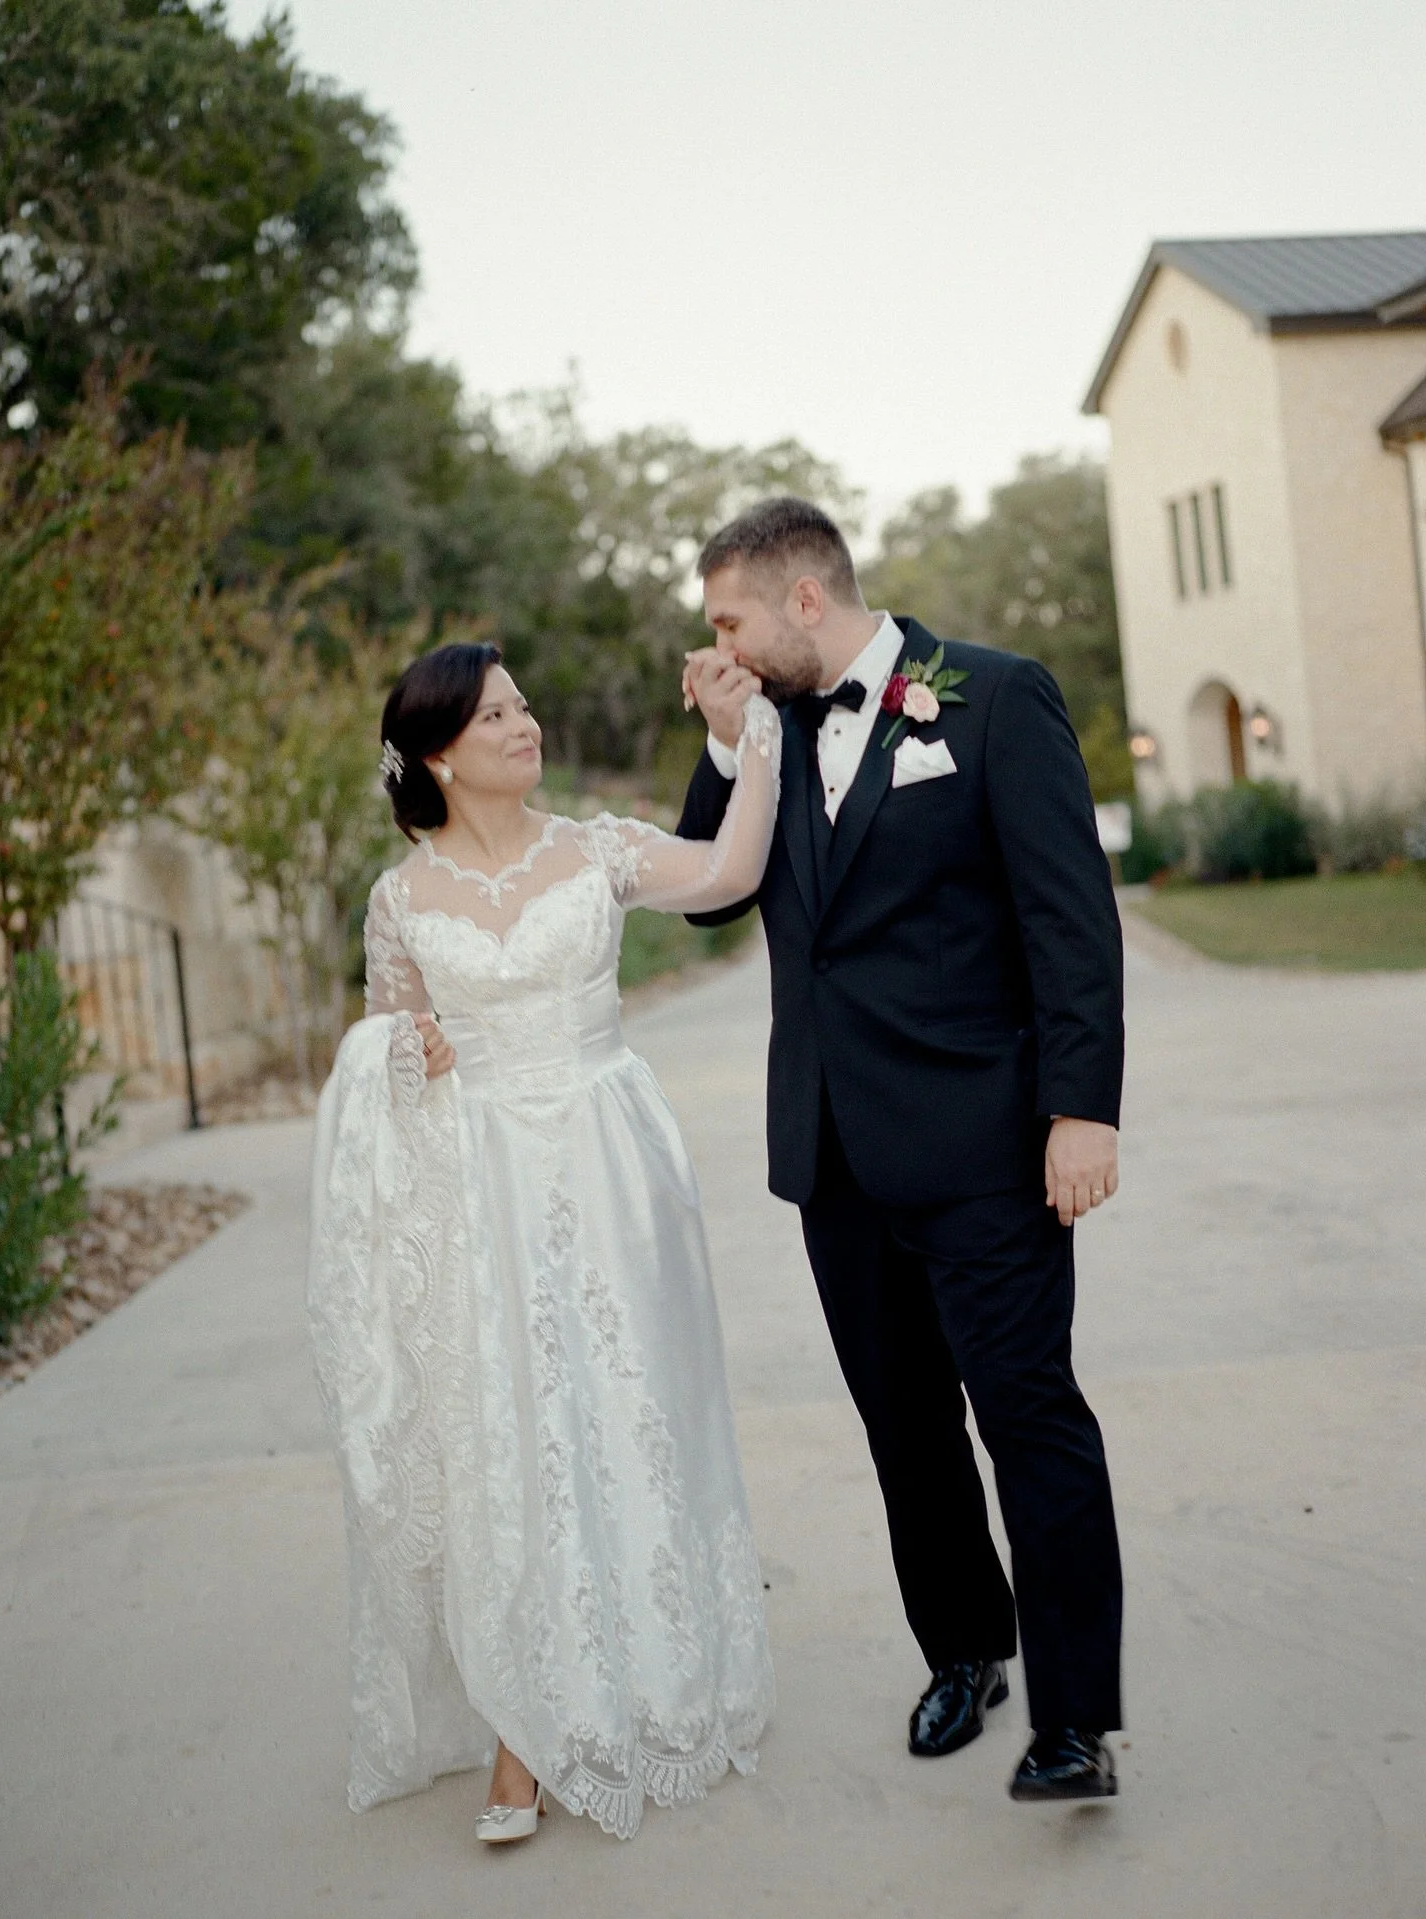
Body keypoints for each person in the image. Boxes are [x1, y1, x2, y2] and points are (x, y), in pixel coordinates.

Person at [676, 497, 1126, 1802]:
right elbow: (714, 890)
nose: (720, 647)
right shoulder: (762, 728)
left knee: (1027, 1415)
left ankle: (1075, 1718)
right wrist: (722, 743)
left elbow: (1069, 915)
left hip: (988, 1142)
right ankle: (966, 1648)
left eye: (729, 622)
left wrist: (1082, 1105)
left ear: (802, 598)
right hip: (833, 1151)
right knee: (906, 1429)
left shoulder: (990, 695)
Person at [306, 641, 778, 1843]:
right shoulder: (401, 900)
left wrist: (750, 734)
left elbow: (731, 867)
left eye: (525, 703)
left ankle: (654, 1668)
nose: (526, 724)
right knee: (515, 1432)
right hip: (483, 1188)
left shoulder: (598, 847)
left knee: (627, 1410)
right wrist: (411, 1056)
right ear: (437, 754)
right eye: (497, 713)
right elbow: (382, 1055)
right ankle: (521, 1731)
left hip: (613, 1164)